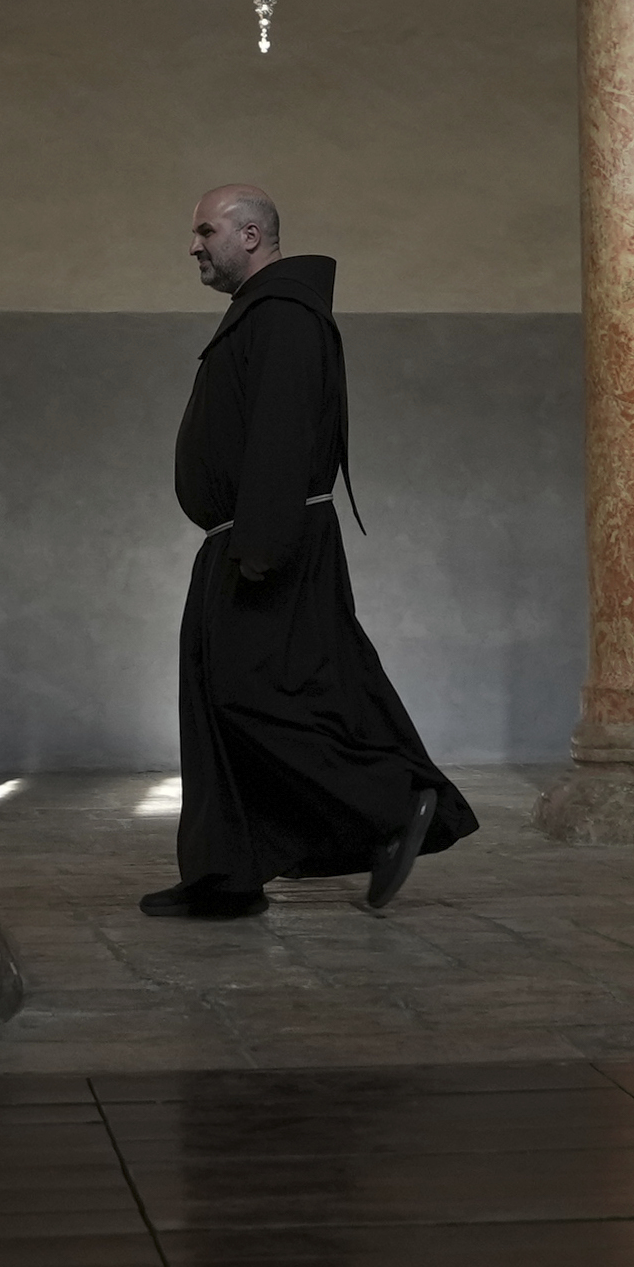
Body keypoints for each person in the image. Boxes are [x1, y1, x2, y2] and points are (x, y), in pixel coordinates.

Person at [145, 185, 477, 920]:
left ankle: (396, 804)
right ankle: (224, 876)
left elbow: (282, 431)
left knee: (253, 694)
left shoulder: (285, 315)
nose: (194, 245)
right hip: (241, 537)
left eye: (206, 230)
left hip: (268, 537)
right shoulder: (265, 313)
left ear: (254, 235)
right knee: (217, 700)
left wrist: (261, 542)